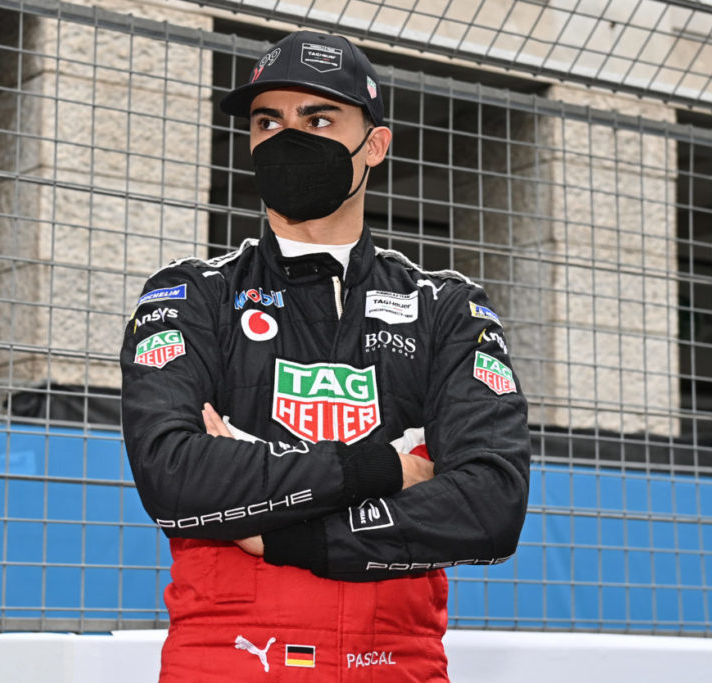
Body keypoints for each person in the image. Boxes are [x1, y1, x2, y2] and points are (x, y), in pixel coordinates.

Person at [120, 29, 530, 681]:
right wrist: (386, 468)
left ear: (375, 145)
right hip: (229, 661)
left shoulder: (446, 308)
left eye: (317, 119)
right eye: (268, 122)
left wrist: (286, 534)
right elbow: (174, 476)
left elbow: (490, 506)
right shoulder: (194, 294)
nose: (288, 138)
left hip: (394, 663)